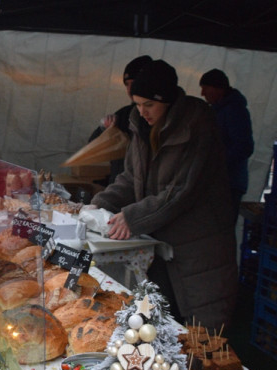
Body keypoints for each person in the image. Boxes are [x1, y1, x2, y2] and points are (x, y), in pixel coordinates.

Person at [91, 59, 238, 330]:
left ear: (168, 100)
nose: (143, 111)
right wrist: (99, 204)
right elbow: (130, 177)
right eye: (137, 104)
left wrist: (132, 218)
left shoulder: (198, 126)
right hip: (160, 241)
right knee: (158, 324)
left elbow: (181, 192)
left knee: (202, 333)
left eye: (150, 105)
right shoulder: (141, 127)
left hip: (199, 244)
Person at [199, 68, 254, 220]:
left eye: (205, 88)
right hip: (217, 181)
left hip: (229, 183)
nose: (202, 93)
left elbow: (244, 147)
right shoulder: (218, 111)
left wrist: (216, 162)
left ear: (218, 89)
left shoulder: (234, 111)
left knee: (221, 226)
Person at [89, 55, 153, 182]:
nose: (130, 89)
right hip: (120, 188)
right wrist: (104, 128)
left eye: (133, 83)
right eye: (126, 84)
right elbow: (94, 146)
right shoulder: (124, 115)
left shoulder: (161, 120)